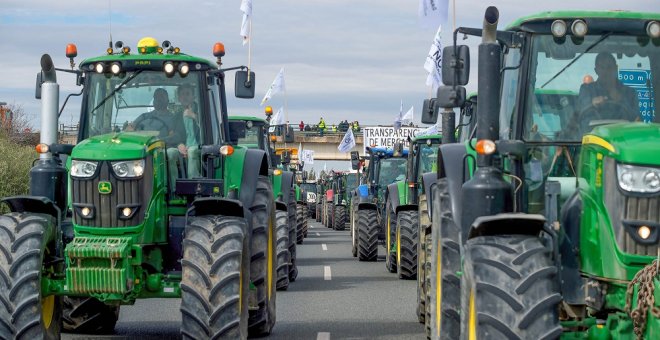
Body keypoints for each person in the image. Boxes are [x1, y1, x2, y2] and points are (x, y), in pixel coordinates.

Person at [127, 88, 186, 189]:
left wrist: (160, 141)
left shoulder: (174, 118)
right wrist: (129, 129)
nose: (159, 100)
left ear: (167, 100)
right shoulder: (144, 117)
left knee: (169, 154)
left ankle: (173, 190)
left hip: (164, 148)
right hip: (143, 149)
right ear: (153, 101)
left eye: (162, 97)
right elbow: (130, 129)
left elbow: (176, 136)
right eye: (156, 97)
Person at [577, 53, 639, 125]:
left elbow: (636, 119)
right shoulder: (586, 90)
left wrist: (621, 100)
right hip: (591, 134)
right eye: (602, 67)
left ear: (616, 68)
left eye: (609, 67)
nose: (606, 71)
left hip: (623, 134)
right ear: (596, 70)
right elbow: (579, 113)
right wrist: (592, 103)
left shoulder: (630, 92)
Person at [177, 84, 201, 178]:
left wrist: (194, 116)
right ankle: (173, 188)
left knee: (191, 151)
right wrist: (179, 144)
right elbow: (174, 134)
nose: (184, 97)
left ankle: (193, 185)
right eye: (182, 94)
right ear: (179, 98)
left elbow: (209, 127)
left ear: (193, 97)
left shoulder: (202, 110)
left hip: (199, 145)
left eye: (187, 94)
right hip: (184, 146)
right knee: (170, 153)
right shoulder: (177, 115)